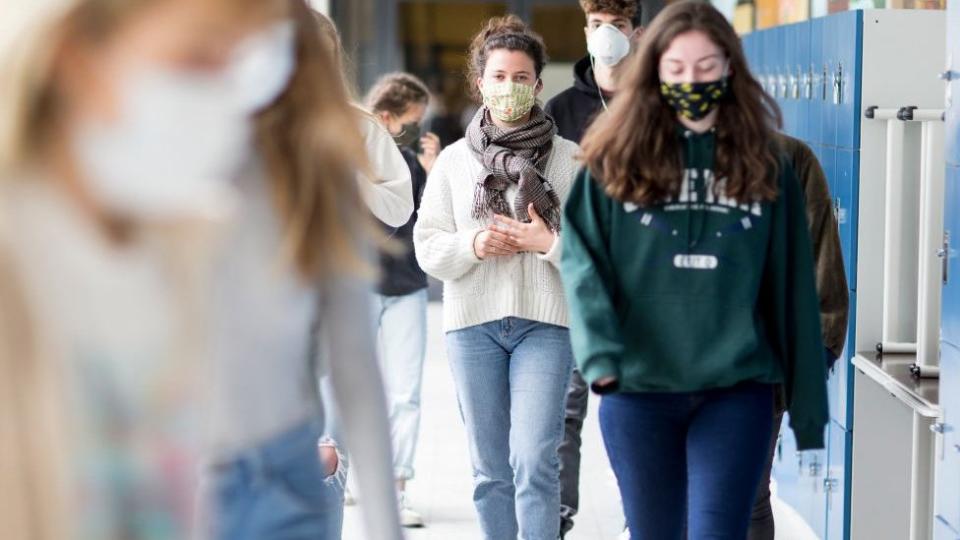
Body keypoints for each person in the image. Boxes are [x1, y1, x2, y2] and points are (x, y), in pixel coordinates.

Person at [0, 0, 286, 538]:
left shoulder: (187, 254)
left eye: (239, 64)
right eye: (198, 56)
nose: (223, 96)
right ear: (74, 57)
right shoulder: (16, 267)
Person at [561, 2, 829, 539]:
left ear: (730, 70)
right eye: (677, 69)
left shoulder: (768, 165)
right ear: (653, 71)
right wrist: (600, 354)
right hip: (638, 389)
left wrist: (808, 405)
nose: (691, 81)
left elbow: (794, 281)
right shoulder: (613, 160)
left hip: (736, 389)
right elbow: (581, 260)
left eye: (706, 68)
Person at [203, 1, 403, 539]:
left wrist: (386, 527)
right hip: (179, 478)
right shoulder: (162, 169)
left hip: (286, 469)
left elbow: (355, 368)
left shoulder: (322, 181)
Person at [414, 15, 579, 540]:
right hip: (473, 327)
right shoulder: (455, 162)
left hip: (546, 326)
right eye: (499, 76)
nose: (510, 87)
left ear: (538, 84)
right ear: (480, 83)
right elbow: (428, 244)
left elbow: (599, 251)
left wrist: (546, 244)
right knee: (490, 470)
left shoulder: (570, 160)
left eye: (521, 77)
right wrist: (474, 244)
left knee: (534, 459)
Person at [542, 2, 642, 536]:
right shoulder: (561, 108)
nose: (607, 35)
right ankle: (557, 519)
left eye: (618, 26)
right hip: (576, 286)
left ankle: (643, 518)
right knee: (564, 413)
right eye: (598, 25)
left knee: (641, 410)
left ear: (637, 32)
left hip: (646, 289)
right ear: (585, 30)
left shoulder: (659, 103)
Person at [747, 133, 849, 540]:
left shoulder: (788, 157)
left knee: (749, 496)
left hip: (758, 363)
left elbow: (822, 257)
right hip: (667, 367)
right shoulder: (646, 153)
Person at [363, 71, 442, 528]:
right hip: (359, 285)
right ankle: (349, 475)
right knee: (346, 387)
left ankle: (397, 486)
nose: (413, 130)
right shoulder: (350, 155)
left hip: (406, 286)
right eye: (410, 121)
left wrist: (429, 175)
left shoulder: (410, 163)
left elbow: (422, 221)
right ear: (387, 116)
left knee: (404, 392)